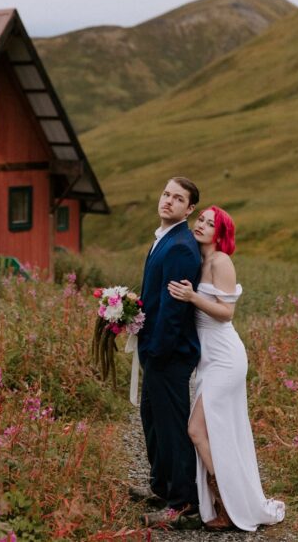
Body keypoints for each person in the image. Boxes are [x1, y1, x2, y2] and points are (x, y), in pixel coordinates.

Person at [167, 206, 285, 532]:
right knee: (216, 432)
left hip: (226, 357)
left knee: (196, 429)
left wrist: (192, 297)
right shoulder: (198, 260)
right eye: (201, 219)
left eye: (210, 223)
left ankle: (226, 505)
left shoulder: (221, 261)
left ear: (220, 234)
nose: (202, 225)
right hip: (209, 359)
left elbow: (226, 312)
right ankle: (230, 503)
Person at [133, 177, 204, 529]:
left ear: (189, 209)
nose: (168, 201)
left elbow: (175, 311)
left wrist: (156, 352)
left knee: (172, 428)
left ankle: (183, 504)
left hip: (169, 353)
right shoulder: (164, 238)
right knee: (153, 421)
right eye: (166, 194)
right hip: (156, 349)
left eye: (178, 198)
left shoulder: (180, 246)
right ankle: (162, 487)